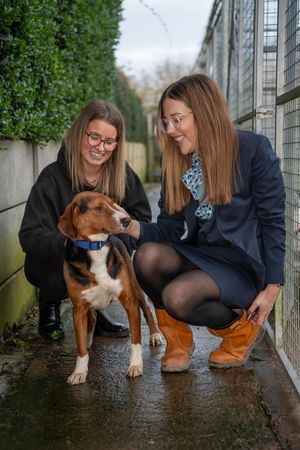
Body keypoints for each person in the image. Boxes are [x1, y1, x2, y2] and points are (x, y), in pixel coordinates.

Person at [117, 73, 285, 373]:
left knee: (178, 296)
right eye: (166, 122)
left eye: (177, 119)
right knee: (146, 257)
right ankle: (177, 342)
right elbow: (169, 228)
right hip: (203, 255)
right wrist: (130, 226)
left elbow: (273, 221)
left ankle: (240, 332)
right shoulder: (176, 159)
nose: (170, 130)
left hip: (242, 264)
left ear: (204, 112)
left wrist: (273, 287)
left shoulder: (253, 150)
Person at [19, 100, 152, 340]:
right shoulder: (51, 177)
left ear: (116, 144)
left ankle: (97, 310)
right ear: (79, 132)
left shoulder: (123, 174)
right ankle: (49, 303)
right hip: (58, 261)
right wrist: (72, 242)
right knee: (57, 263)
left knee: (113, 254)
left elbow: (142, 218)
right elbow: (29, 234)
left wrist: (120, 226)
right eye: (94, 137)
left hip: (103, 259)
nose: (101, 147)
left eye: (109, 141)